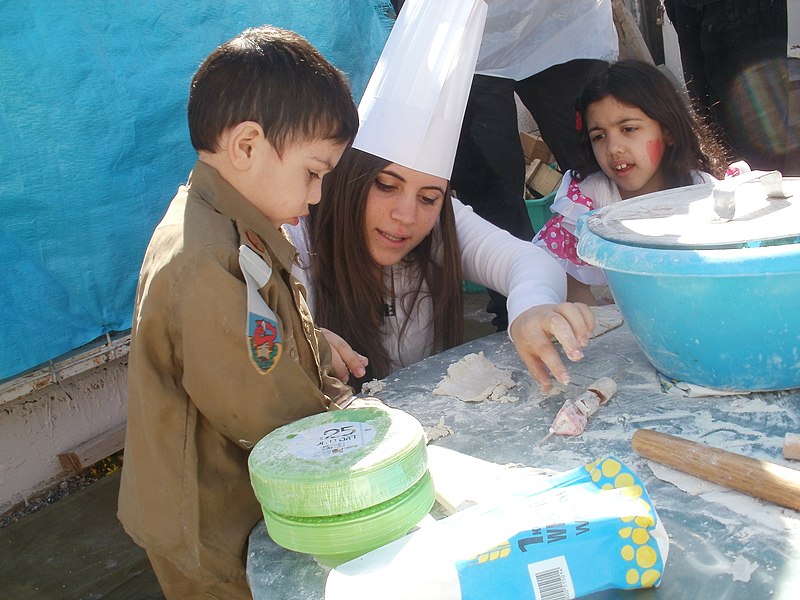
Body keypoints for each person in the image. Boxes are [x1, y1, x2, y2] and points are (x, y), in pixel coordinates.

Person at [117, 26, 360, 599]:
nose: (318, 195)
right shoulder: (205, 259)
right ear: (247, 146)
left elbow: (263, 328)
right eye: (313, 172)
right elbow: (266, 413)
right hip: (212, 533)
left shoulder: (232, 225)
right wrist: (356, 435)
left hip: (229, 502)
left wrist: (317, 344)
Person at [288, 0, 595, 394]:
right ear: (350, 177)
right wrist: (304, 343)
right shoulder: (300, 232)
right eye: (386, 185)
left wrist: (529, 309)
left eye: (429, 196)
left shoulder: (439, 221)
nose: (405, 214)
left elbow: (528, 260)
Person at [450, 0, 618, 330]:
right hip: (461, 23)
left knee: (599, 162)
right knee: (488, 186)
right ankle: (520, 315)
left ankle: (627, 295)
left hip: (566, 20)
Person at [533, 59, 737, 305]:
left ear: (668, 131)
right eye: (599, 136)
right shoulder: (587, 203)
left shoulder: (702, 193)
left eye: (628, 129)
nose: (613, 148)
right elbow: (565, 280)